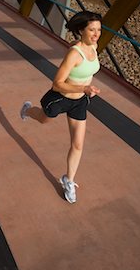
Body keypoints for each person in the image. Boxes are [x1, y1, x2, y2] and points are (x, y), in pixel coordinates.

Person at [20, 11, 102, 204]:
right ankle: (27, 110)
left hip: (80, 101)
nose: (96, 33)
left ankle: (69, 180)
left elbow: (81, 52)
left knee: (78, 144)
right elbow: (56, 84)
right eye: (92, 29)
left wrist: (84, 91)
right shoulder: (75, 54)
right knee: (43, 119)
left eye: (99, 29)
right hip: (60, 98)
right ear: (82, 30)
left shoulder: (94, 46)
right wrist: (84, 87)